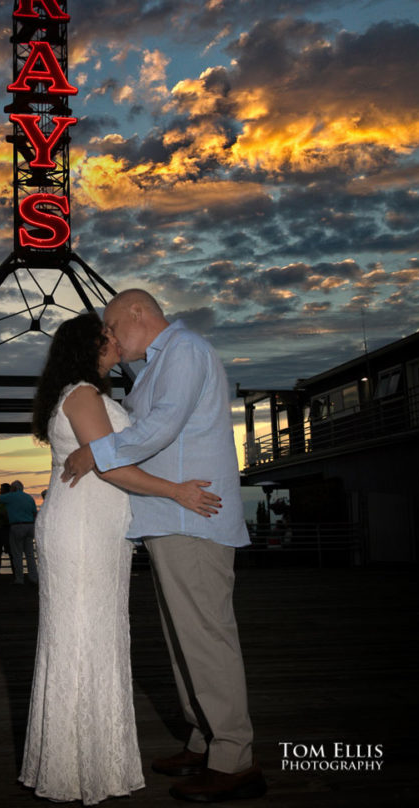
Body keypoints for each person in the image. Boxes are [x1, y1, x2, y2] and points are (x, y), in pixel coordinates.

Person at [63, 290, 266, 804]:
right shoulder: (152, 368)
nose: (109, 337)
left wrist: (95, 453)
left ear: (137, 312)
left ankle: (235, 759)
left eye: (112, 326)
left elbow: (161, 427)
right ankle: (203, 740)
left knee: (206, 638)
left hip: (191, 518)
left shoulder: (185, 350)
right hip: (167, 519)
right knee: (183, 642)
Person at [19, 312, 221, 806]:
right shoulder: (84, 395)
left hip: (96, 529)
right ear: (86, 347)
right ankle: (79, 766)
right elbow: (112, 467)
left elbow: (110, 453)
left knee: (92, 637)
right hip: (85, 530)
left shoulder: (91, 394)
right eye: (104, 336)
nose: (112, 340)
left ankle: (79, 761)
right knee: (86, 638)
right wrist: (177, 492)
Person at [0, 480, 38, 585]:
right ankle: (34, 577)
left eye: (11, 488)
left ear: (14, 488)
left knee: (17, 554)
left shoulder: (11, 496)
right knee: (30, 554)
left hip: (17, 526)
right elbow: (35, 513)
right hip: (30, 526)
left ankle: (19, 579)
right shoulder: (29, 498)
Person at [0, 482, 13, 577]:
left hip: (7, 529)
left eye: (1, 489)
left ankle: (15, 574)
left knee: (11, 553)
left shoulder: (8, 502)